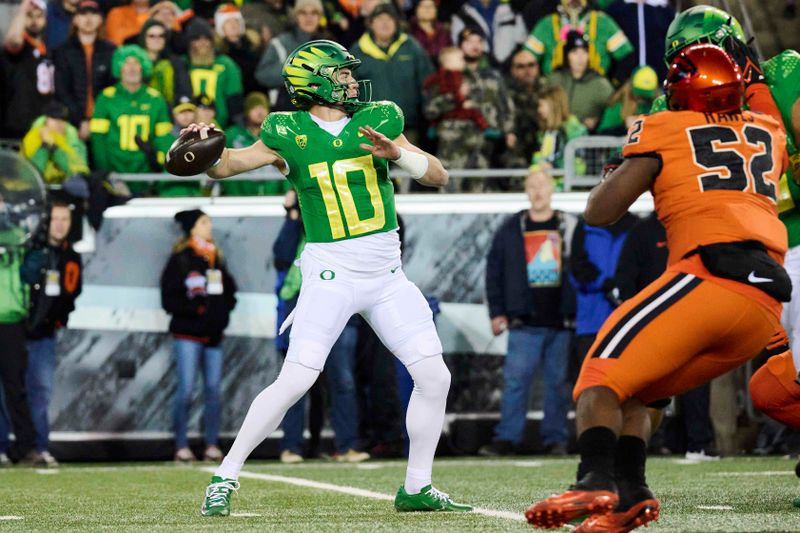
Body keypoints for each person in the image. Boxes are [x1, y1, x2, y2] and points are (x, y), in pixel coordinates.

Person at [182, 39, 470, 516]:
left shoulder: (376, 119)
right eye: (342, 74)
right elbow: (228, 166)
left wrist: (397, 153)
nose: (352, 81)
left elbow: (438, 175)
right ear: (315, 83)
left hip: (386, 272)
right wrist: (205, 146)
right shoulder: (285, 131)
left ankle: (417, 486)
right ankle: (224, 476)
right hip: (331, 271)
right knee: (296, 378)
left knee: (434, 376)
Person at [525, 43, 788, 531]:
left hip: (709, 277)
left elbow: (600, 212)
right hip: (765, 301)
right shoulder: (768, 131)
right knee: (640, 392)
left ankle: (593, 480)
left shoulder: (666, 126)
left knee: (598, 375)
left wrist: (623, 174)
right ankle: (631, 493)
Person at [482, 167, 576, 456]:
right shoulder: (510, 228)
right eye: (532, 185)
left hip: (560, 321)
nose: (537, 191)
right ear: (525, 190)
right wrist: (497, 312)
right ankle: (507, 439)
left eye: (542, 185)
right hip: (523, 322)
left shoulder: (568, 225)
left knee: (558, 386)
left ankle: (555, 439)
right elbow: (494, 271)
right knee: (515, 384)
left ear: (552, 189)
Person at [272, 194, 369, 463]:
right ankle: (291, 447)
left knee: (344, 381)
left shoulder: (340, 229)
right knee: (295, 381)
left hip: (339, 308)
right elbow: (281, 256)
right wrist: (292, 216)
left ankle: (346, 445)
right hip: (303, 306)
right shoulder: (298, 229)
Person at [161, 209, 238, 463]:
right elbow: (169, 298)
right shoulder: (181, 260)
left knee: (214, 391)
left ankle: (211, 444)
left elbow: (230, 292)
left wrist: (220, 313)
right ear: (193, 228)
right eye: (204, 222)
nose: (210, 226)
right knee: (186, 390)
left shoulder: (217, 258)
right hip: (188, 335)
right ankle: (181, 445)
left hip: (213, 336)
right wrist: (197, 310)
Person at [21, 200, 82, 467]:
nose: (60, 224)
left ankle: (40, 446)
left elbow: (73, 292)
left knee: (41, 391)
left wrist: (57, 316)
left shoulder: (72, 256)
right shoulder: (30, 249)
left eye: (65, 220)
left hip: (45, 333)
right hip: (17, 327)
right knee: (7, 389)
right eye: (56, 218)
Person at [89, 45, 173, 195]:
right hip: (115, 173)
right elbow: (98, 139)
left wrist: (160, 163)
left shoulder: (156, 99)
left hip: (146, 173)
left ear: (143, 67)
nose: (132, 68)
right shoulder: (106, 98)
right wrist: (106, 171)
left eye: (136, 63)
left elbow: (163, 138)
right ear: (119, 68)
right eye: (127, 63)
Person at [351, 3, 434, 142]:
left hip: (408, 128)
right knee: (375, 164)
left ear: (397, 23)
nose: (385, 23)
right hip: (370, 130)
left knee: (408, 163)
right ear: (371, 23)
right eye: (380, 19)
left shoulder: (411, 46)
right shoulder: (357, 51)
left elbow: (428, 81)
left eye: (390, 19)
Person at [422, 46, 488, 191]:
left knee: (478, 177)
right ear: (446, 61)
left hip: (473, 138)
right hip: (451, 142)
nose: (463, 61)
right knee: (450, 179)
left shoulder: (470, 79)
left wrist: (470, 104)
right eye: (459, 58)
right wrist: (455, 97)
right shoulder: (437, 82)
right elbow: (430, 110)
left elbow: (482, 102)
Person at [524, 0, 634, 83]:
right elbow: (526, 57)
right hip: (556, 88)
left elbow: (626, 56)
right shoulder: (547, 24)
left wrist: (614, 82)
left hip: (593, 84)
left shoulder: (602, 22)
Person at [52, 0, 116, 141]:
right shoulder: (62, 51)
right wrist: (80, 120)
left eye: (93, 14)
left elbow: (112, 89)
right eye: (83, 14)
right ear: (75, 19)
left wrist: (97, 120)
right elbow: (62, 90)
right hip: (70, 123)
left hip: (105, 122)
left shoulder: (111, 51)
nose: (88, 19)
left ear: (100, 20)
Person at [254, 0, 327, 111]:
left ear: (320, 17)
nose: (309, 18)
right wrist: (294, 68)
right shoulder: (280, 43)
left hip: (320, 113)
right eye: (303, 13)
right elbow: (262, 75)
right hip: (286, 114)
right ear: (296, 16)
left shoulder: (328, 45)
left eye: (314, 13)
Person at [1, 0, 54, 139]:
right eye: (30, 16)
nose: (34, 21)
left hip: (40, 122)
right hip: (17, 123)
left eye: (39, 16)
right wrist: (23, 9)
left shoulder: (48, 49)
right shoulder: (21, 46)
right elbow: (13, 41)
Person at [222, 92, 288, 196]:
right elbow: (226, 165)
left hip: (275, 197)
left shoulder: (279, 135)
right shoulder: (232, 135)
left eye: (263, 107)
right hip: (240, 199)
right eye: (255, 108)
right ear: (247, 111)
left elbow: (287, 165)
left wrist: (285, 194)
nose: (260, 112)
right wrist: (234, 196)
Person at [545, 30, 613, 132]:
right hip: (554, 134)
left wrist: (598, 121)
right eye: (574, 52)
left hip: (587, 140)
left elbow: (614, 110)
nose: (580, 58)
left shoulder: (599, 83)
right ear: (566, 55)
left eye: (584, 52)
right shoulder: (555, 79)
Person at [182, 17, 243, 128]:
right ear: (190, 42)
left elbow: (235, 99)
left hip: (222, 126)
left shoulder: (226, 64)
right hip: (186, 127)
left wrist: (235, 125)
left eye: (207, 38)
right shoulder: (182, 64)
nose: (203, 43)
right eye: (197, 39)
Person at [21, 101, 90, 189]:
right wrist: (44, 146)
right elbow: (32, 174)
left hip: (67, 189)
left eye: (63, 119)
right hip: (37, 188)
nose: (59, 123)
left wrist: (54, 148)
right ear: (45, 120)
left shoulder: (74, 140)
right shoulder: (33, 137)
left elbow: (74, 171)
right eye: (54, 118)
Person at [530, 85, 587, 176]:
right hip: (545, 181)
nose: (539, 110)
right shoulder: (544, 132)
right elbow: (537, 158)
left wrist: (554, 168)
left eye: (541, 105)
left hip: (567, 186)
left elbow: (579, 165)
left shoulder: (574, 130)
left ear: (553, 106)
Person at [449, 0, 526, 66]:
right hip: (477, 69)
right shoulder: (461, 16)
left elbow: (522, 42)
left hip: (510, 68)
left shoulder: (511, 11)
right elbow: (457, 48)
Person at [504, 47, 544, 170]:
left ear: (537, 67)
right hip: (516, 148)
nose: (527, 70)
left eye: (531, 65)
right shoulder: (505, 93)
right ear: (513, 70)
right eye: (521, 66)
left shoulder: (547, 89)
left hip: (543, 144)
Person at [137, 19, 192, 106]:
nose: (157, 39)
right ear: (144, 38)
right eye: (152, 36)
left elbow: (184, 89)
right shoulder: (136, 62)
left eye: (161, 36)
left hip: (170, 110)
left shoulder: (176, 63)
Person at [597, 65, 659, 136]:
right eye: (639, 96)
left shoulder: (659, 107)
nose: (642, 100)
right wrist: (624, 127)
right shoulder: (617, 107)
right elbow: (601, 136)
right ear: (630, 88)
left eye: (646, 97)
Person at [214, 4, 261, 95]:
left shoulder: (254, 46)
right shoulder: (219, 53)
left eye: (236, 20)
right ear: (221, 27)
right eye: (227, 21)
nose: (233, 24)